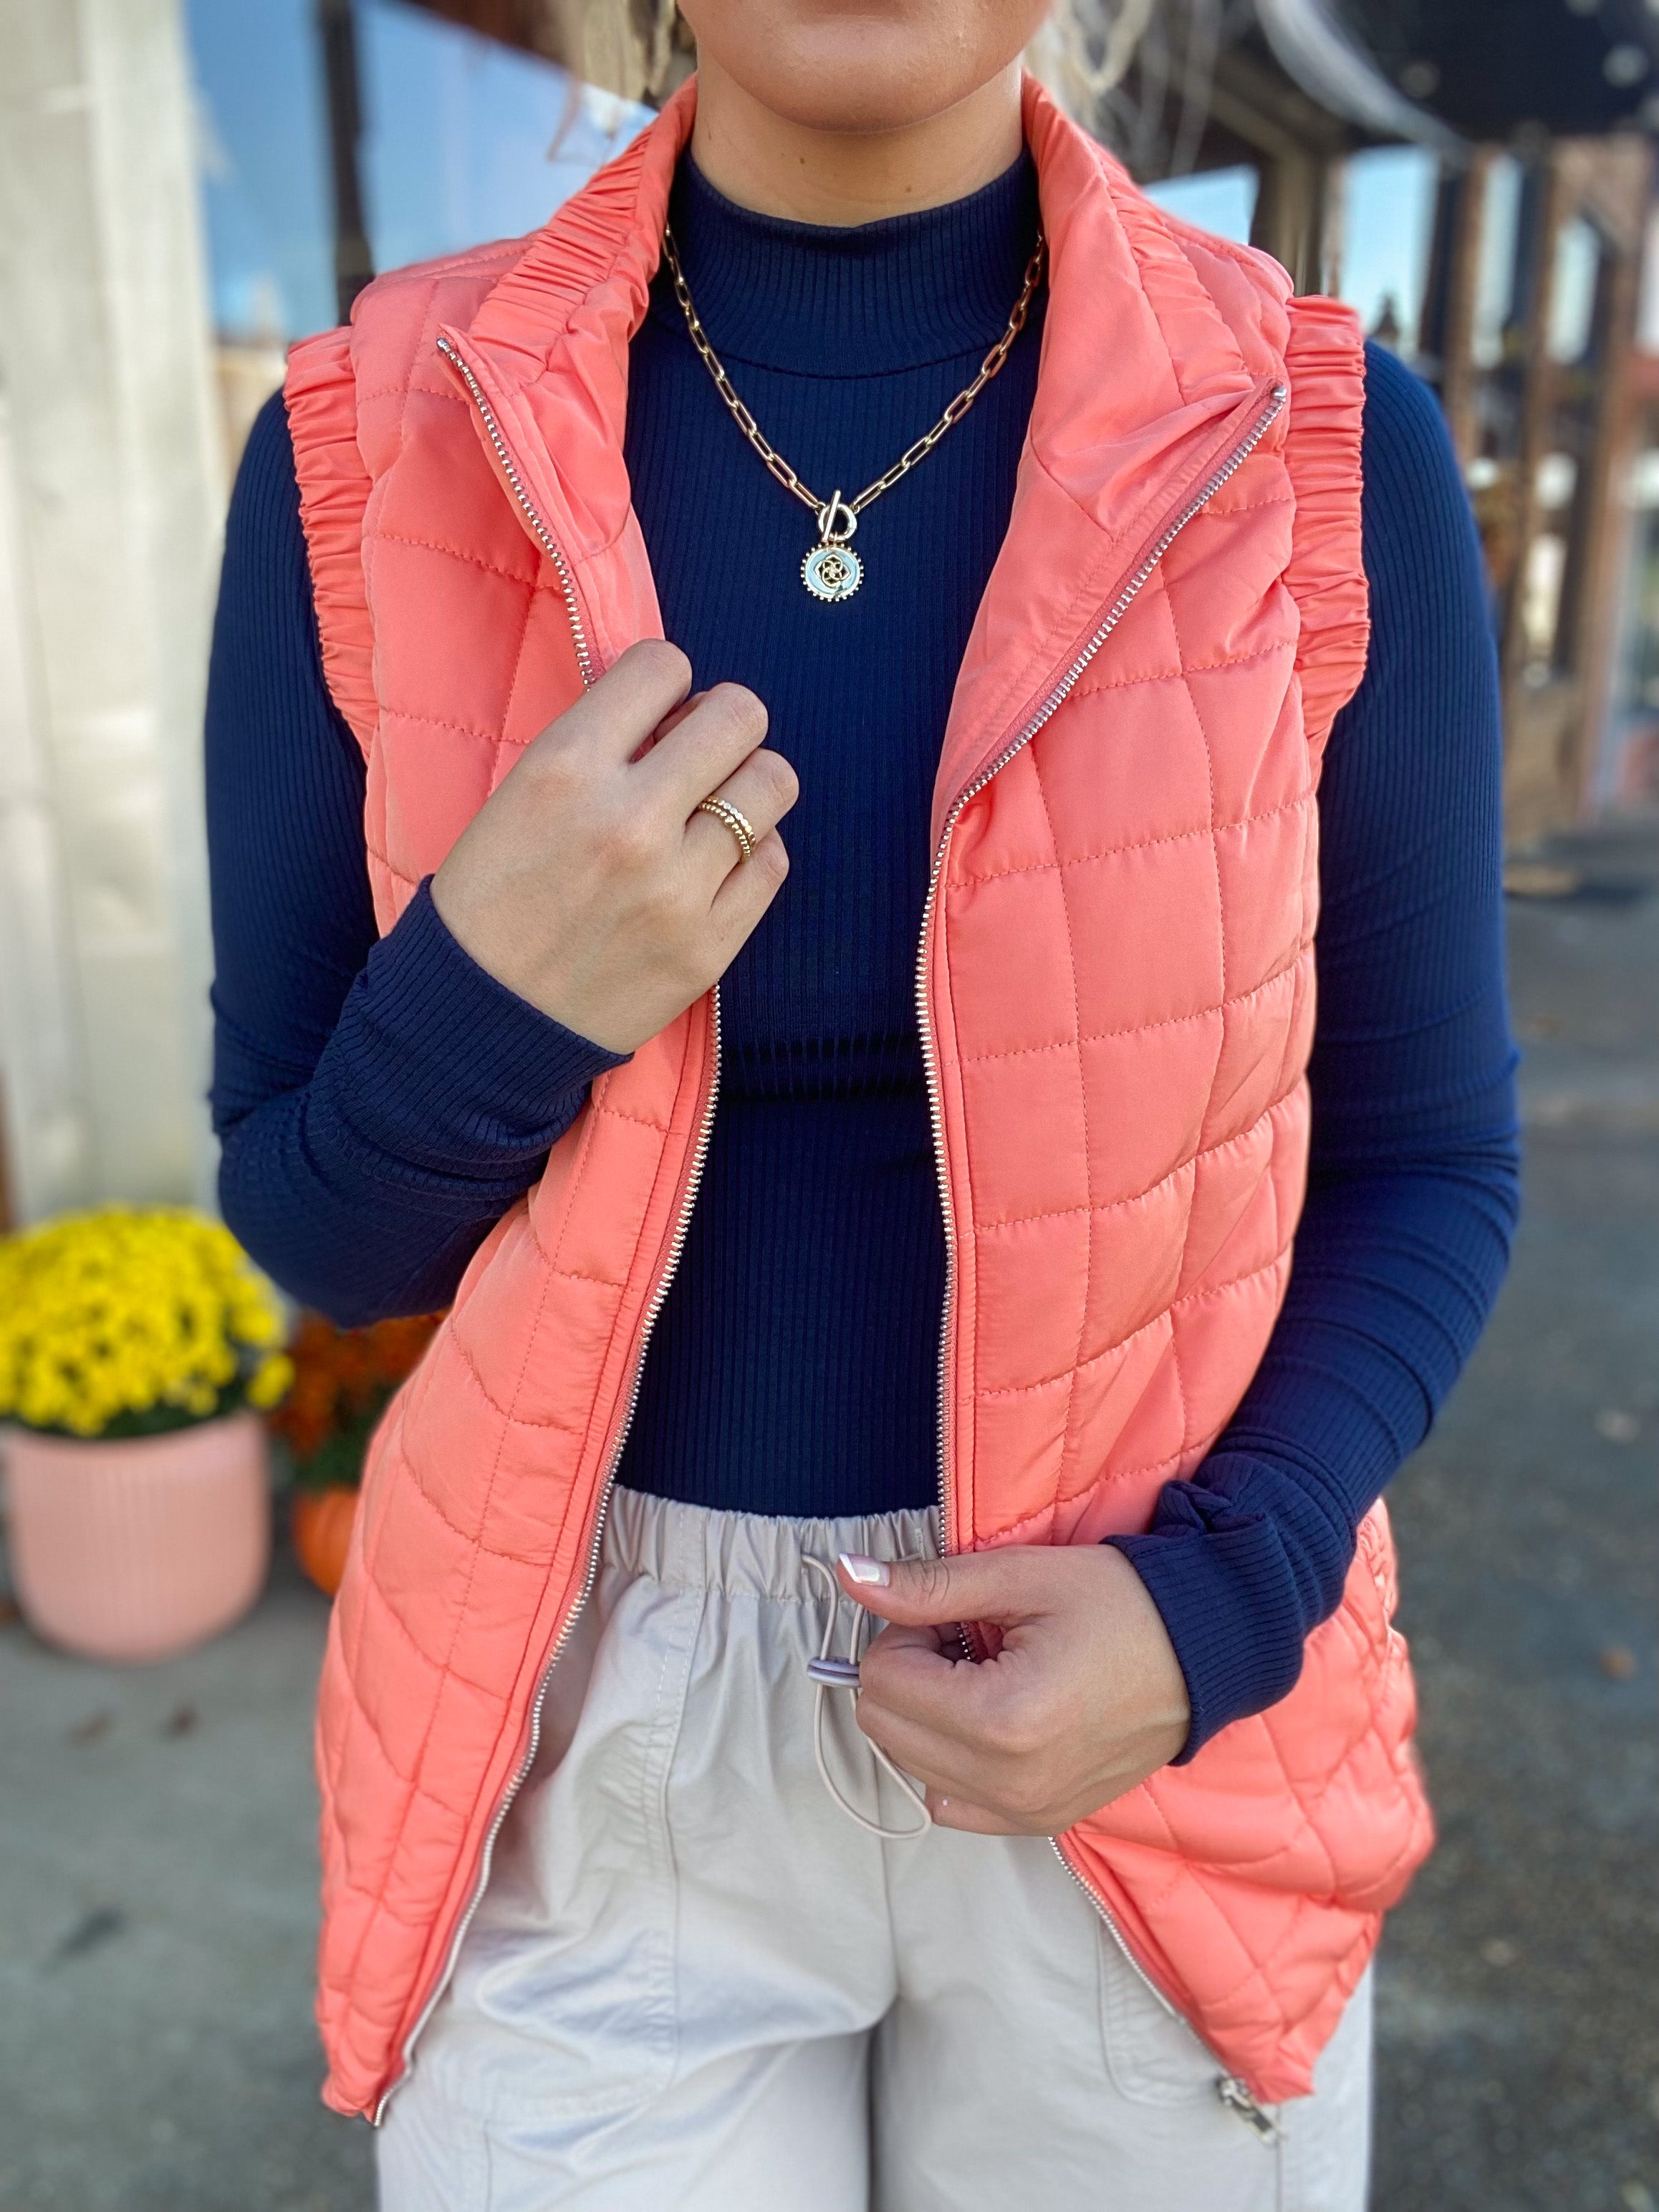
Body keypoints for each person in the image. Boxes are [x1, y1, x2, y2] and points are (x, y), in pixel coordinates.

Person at [205, 2, 1519, 2204]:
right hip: (579, 1729)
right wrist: (493, 997)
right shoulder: (371, 445)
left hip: (1146, 1707)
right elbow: (315, 1226)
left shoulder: (1310, 445)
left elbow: (1424, 1157)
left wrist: (1223, 1602)